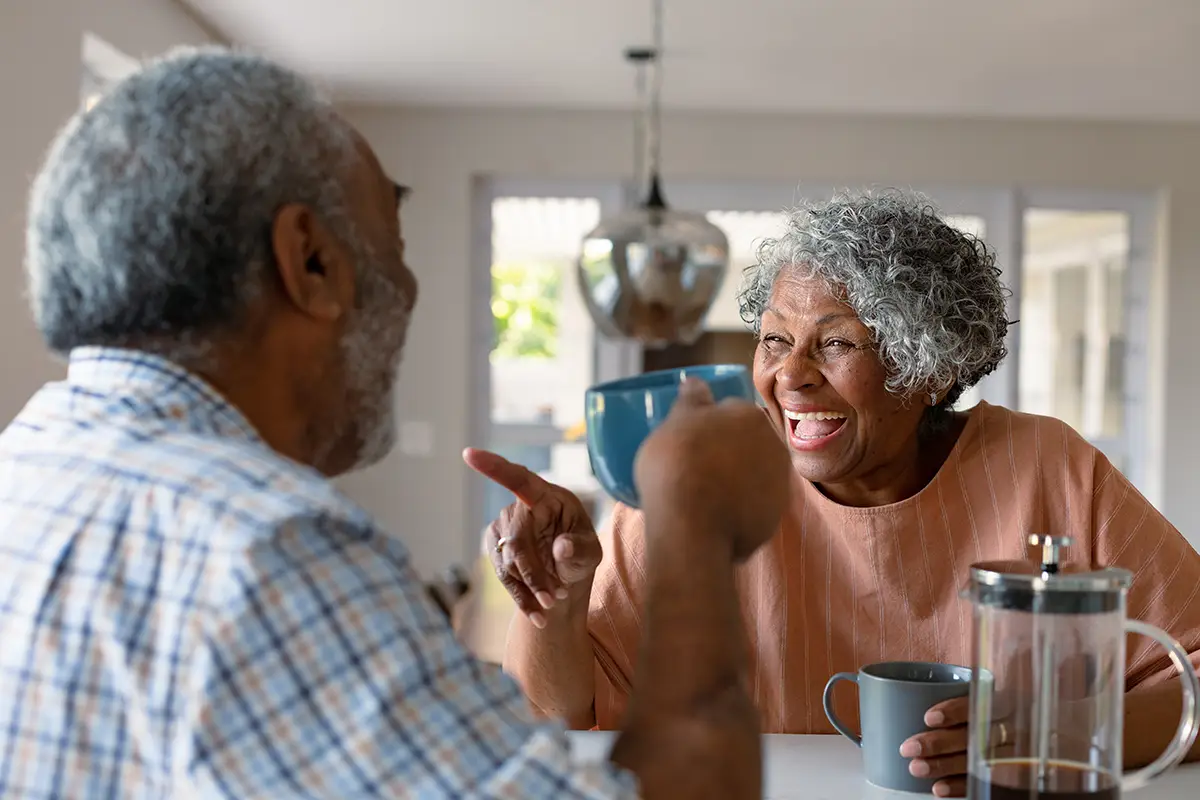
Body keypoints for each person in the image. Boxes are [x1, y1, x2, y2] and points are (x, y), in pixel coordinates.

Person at [0, 47, 794, 799]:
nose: (407, 288)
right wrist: (691, 519)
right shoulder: (272, 554)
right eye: (395, 244)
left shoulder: (25, 472)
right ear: (309, 262)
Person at [471, 189, 1200, 797]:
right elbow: (552, 721)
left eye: (836, 343)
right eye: (772, 340)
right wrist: (555, 609)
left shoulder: (1049, 466)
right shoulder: (699, 477)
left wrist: (1042, 730)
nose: (789, 376)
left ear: (931, 371)